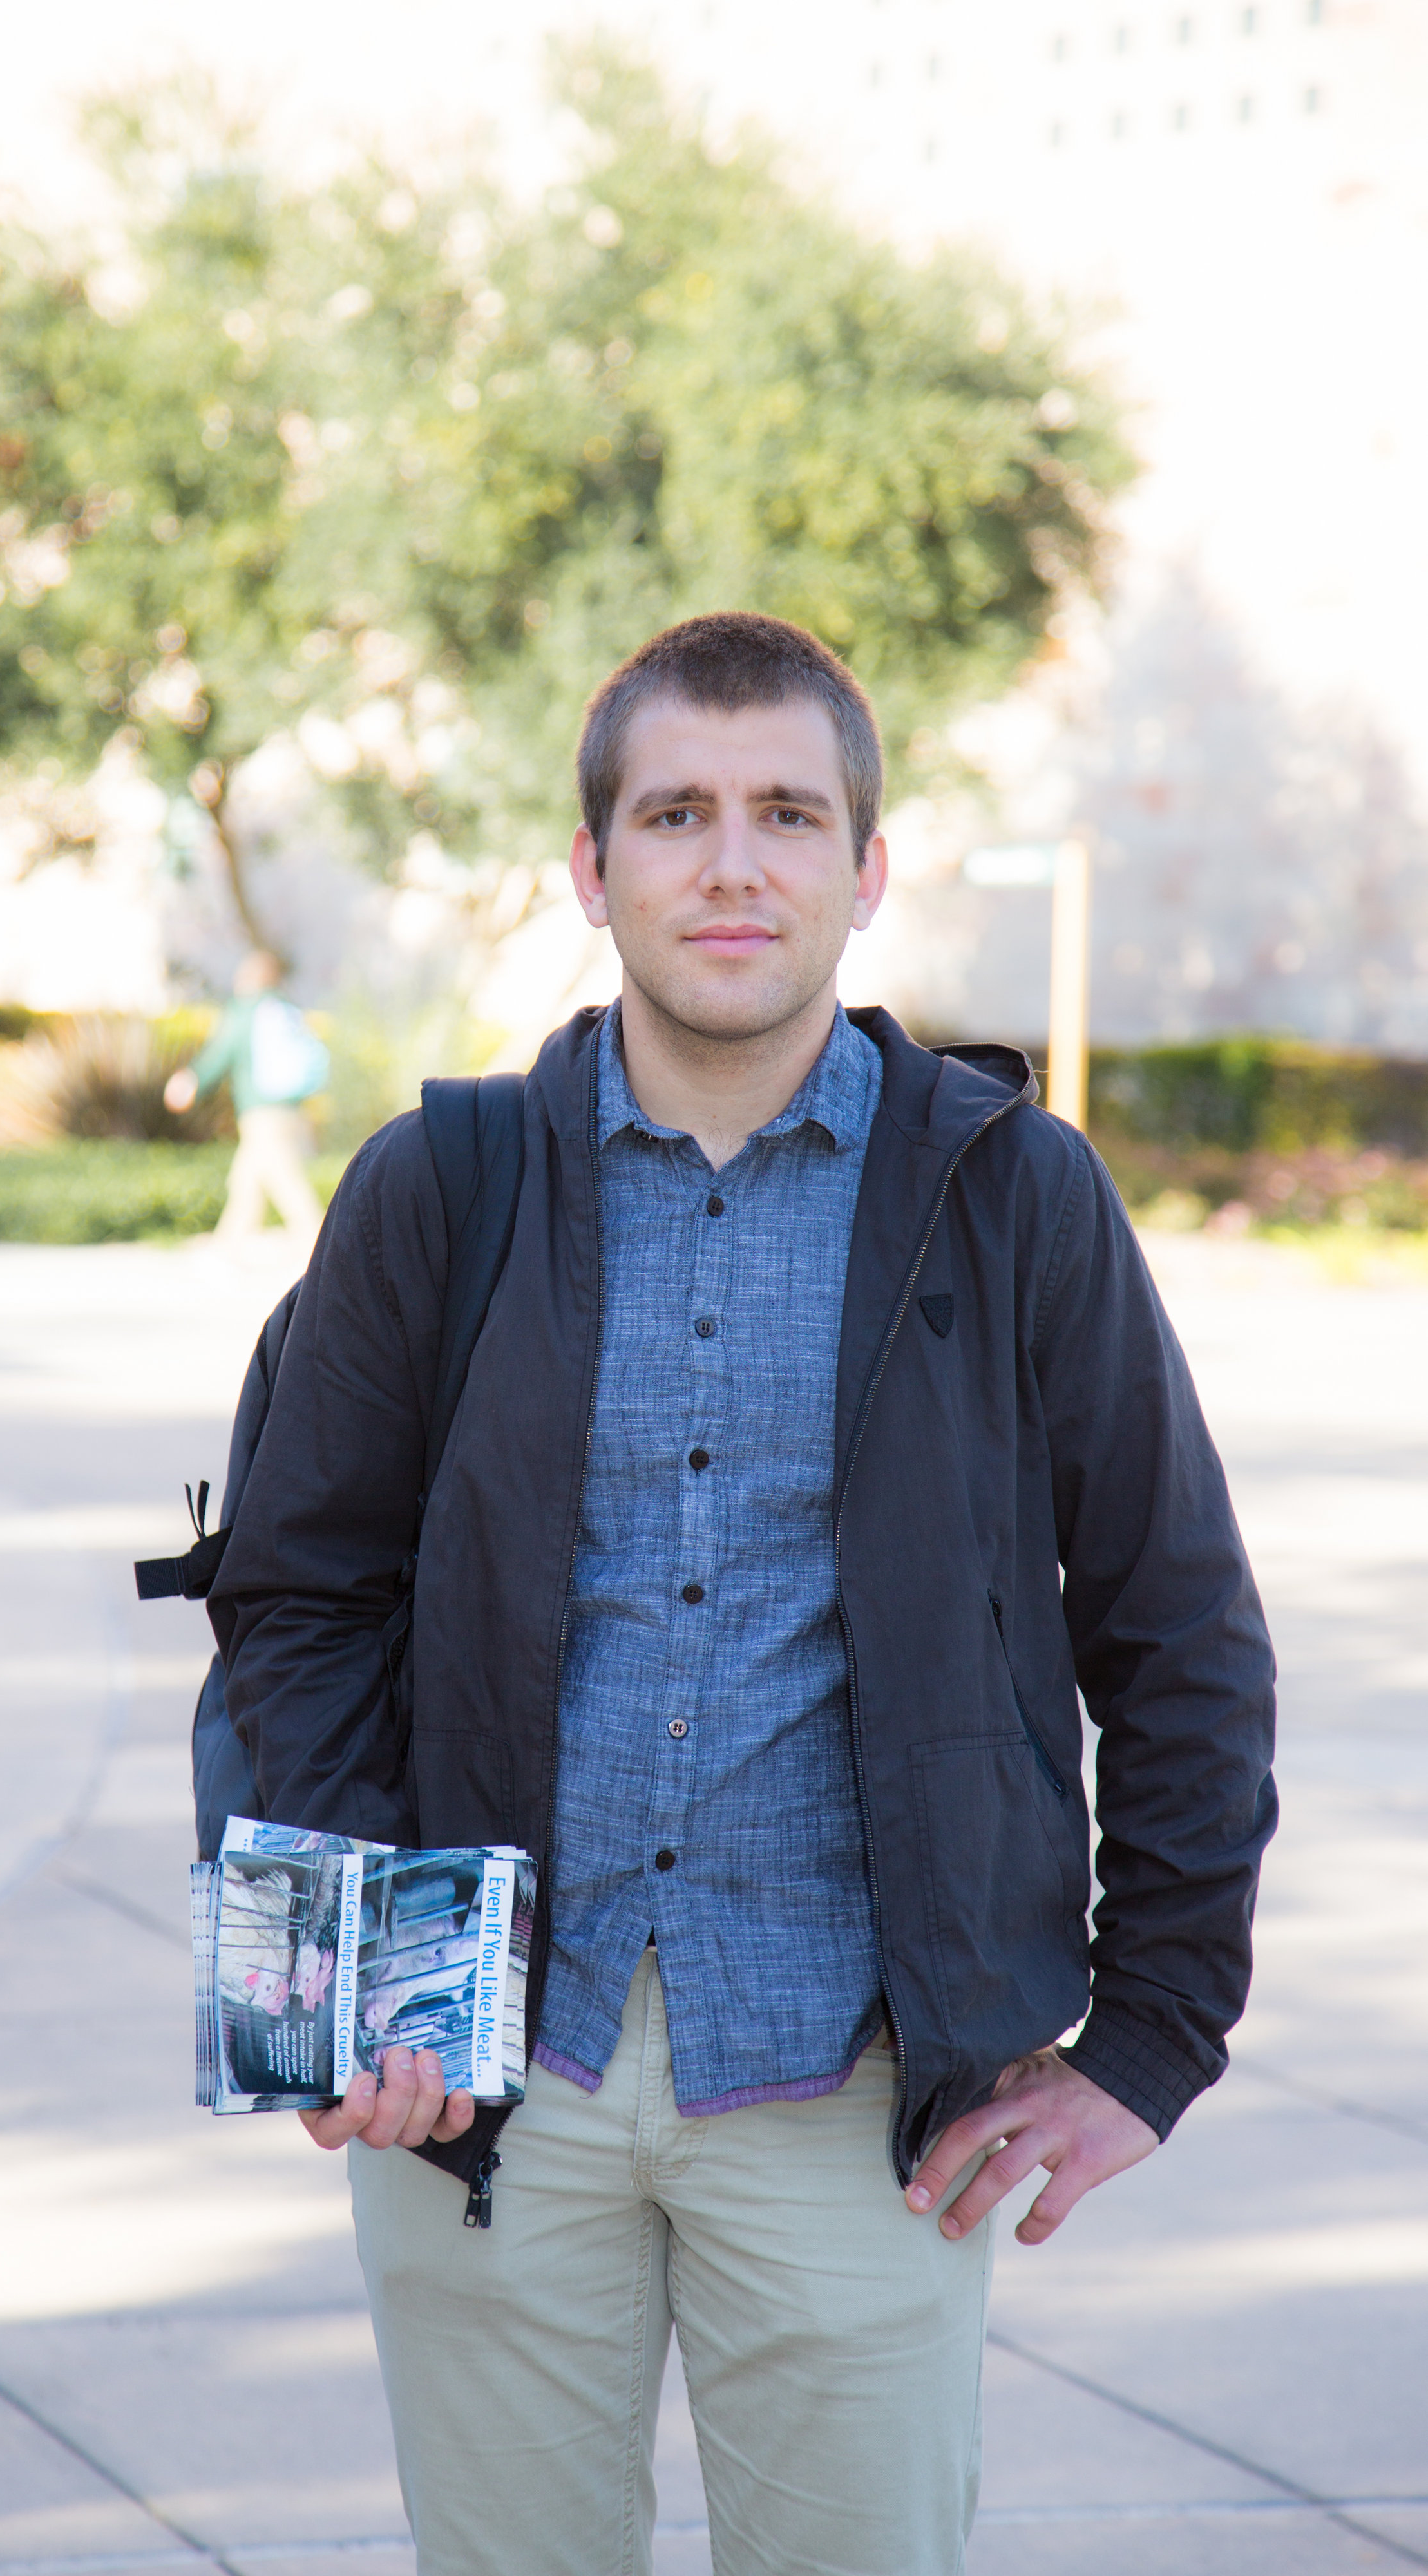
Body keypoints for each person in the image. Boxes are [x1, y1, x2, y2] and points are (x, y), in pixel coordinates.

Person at [210, 614, 1277, 2576]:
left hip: (860, 2098)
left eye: (788, 813)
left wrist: (1151, 2037)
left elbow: (1176, 1627)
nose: (731, 863)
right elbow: (301, 1596)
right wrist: (350, 1991)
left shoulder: (1011, 1197)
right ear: (590, 865)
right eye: (675, 813)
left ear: (864, 871)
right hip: (493, 2085)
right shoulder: (439, 1189)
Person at [163, 949, 328, 1241]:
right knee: (246, 1181)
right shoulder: (286, 1008)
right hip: (289, 1108)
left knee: (286, 1182)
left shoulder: (247, 1011)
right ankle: (229, 1246)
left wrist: (192, 1081)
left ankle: (324, 1245)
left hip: (261, 1110)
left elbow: (221, 1053)